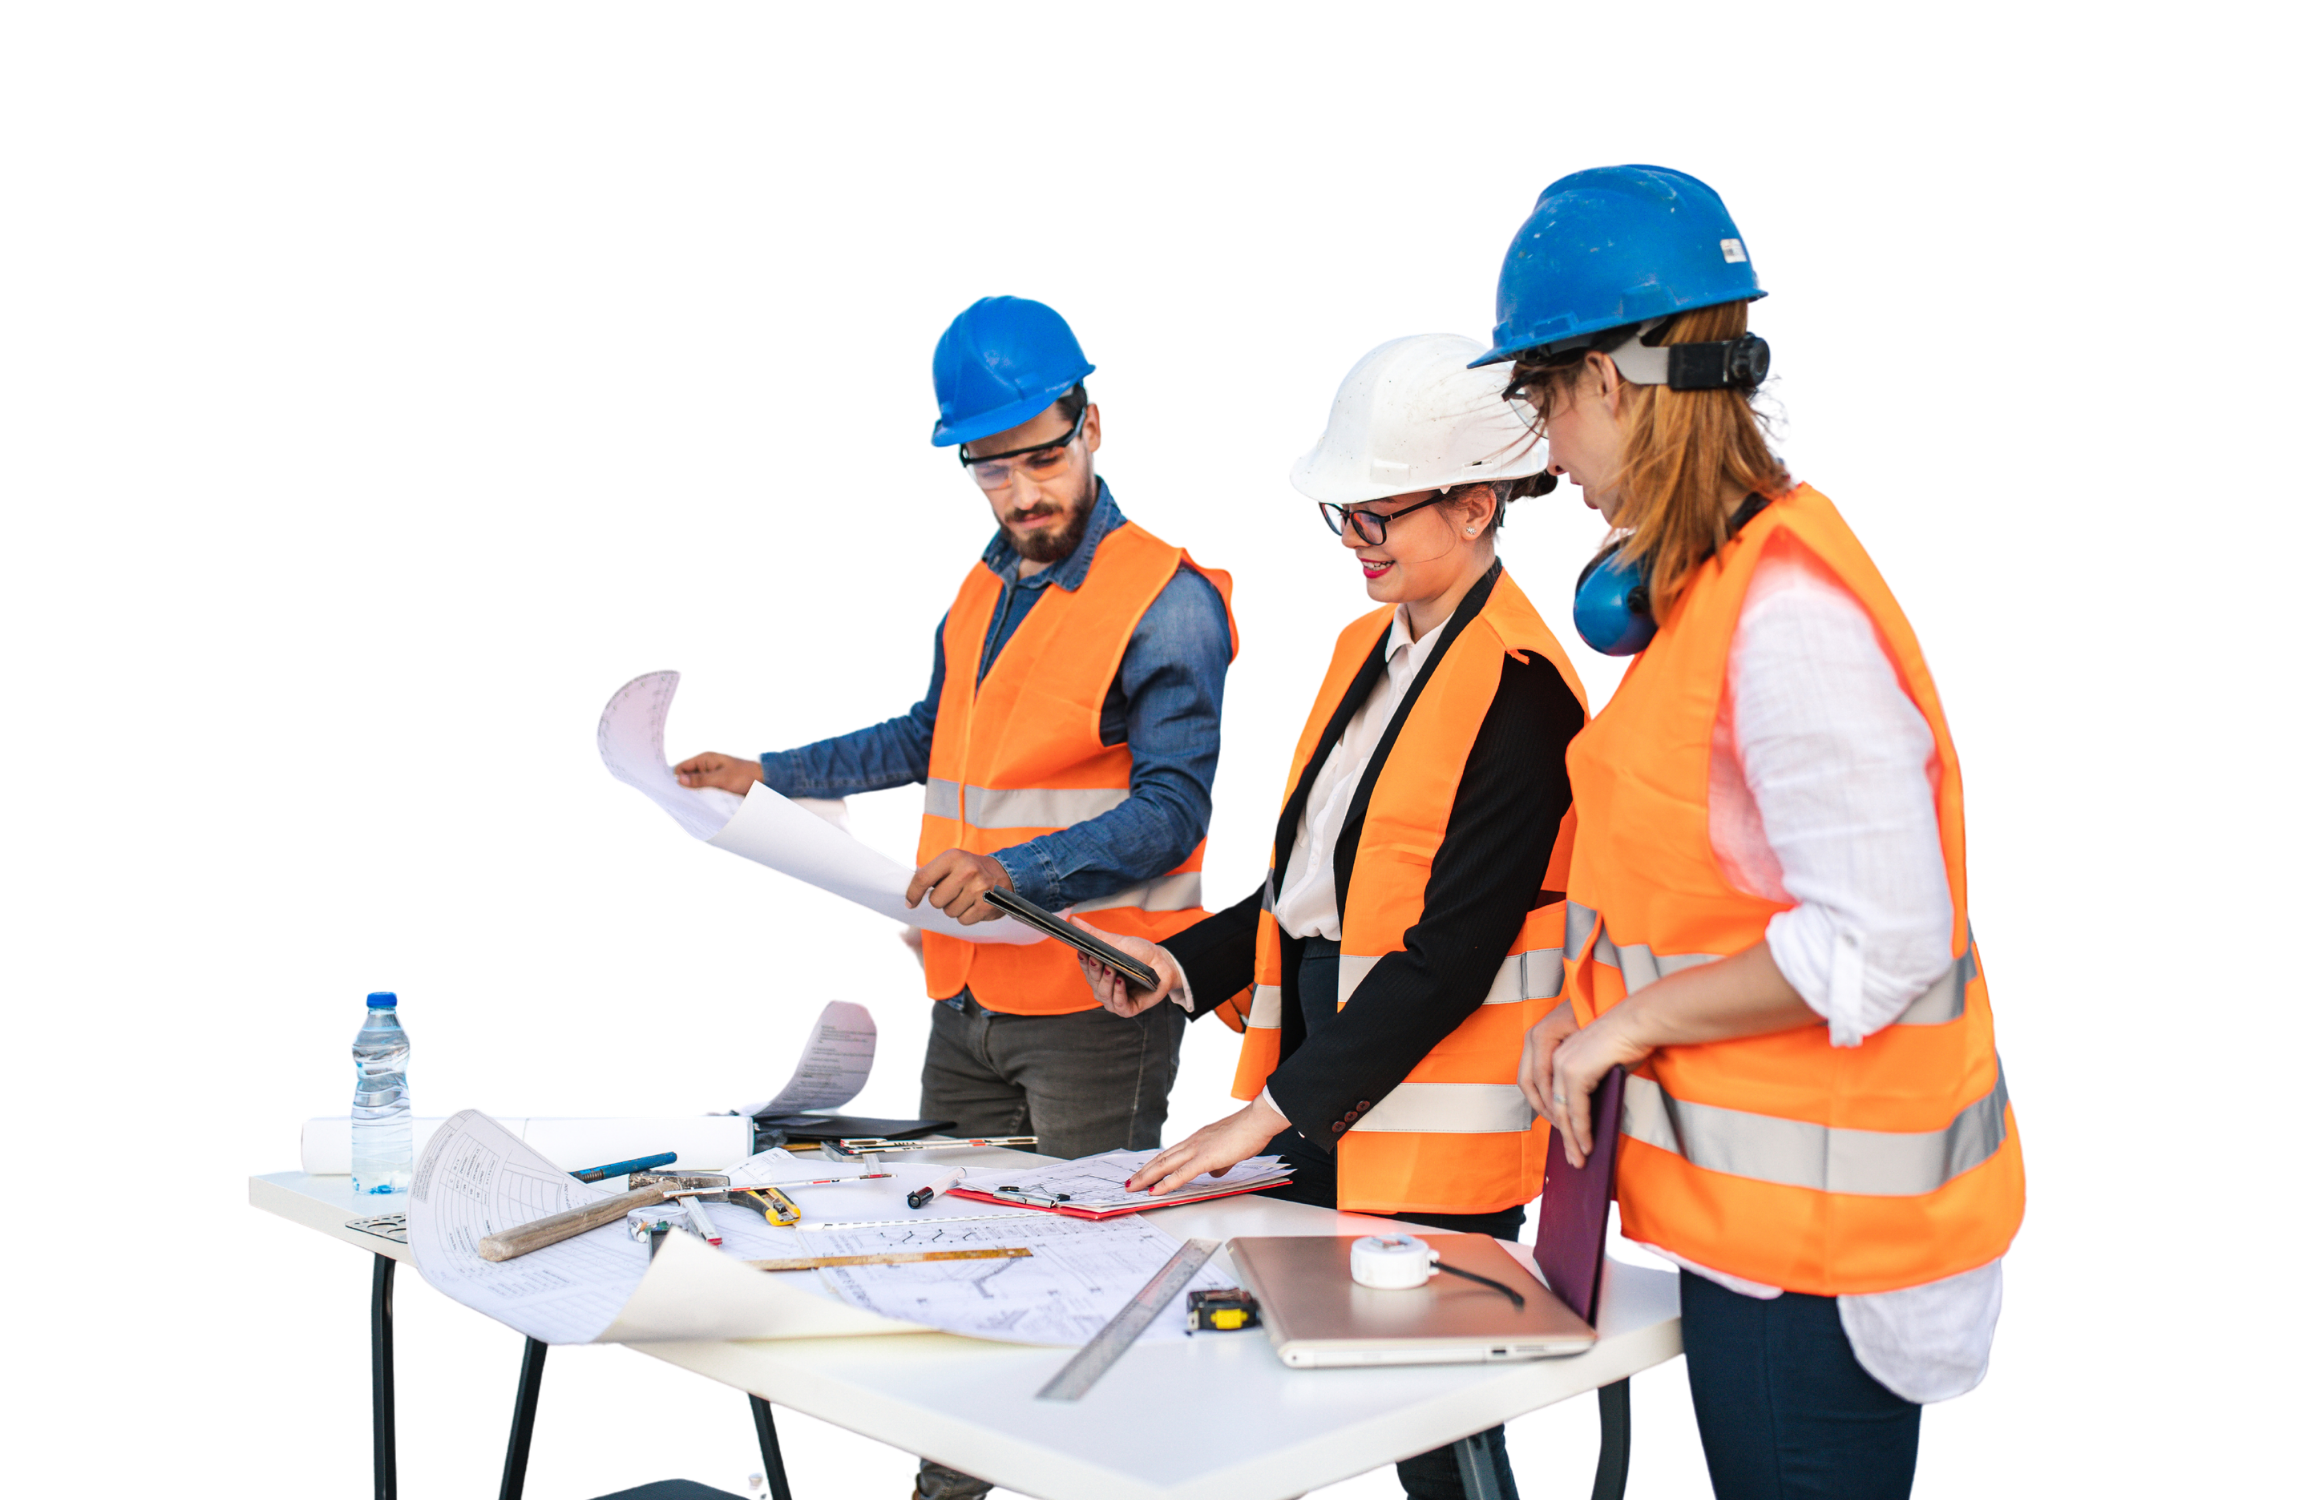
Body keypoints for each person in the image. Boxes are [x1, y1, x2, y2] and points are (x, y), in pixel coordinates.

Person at [1483, 165, 2025, 1499]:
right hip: (1766, 1239)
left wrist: (1624, 1028)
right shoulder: (1714, 594)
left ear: (1609, 381)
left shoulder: (1784, 620)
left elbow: (1882, 938)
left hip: (1825, 1265)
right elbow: (1701, 899)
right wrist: (1586, 1005)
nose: (1551, 452)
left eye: (1545, 402)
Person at [1074, 332, 1589, 1500]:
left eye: (1376, 515)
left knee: (1427, 1436)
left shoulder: (1524, 689)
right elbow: (1318, 881)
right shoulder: (1366, 644)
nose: (1352, 542)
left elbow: (1450, 950)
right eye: (1340, 517)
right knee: (1314, 1412)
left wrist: (1263, 1116)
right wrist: (1180, 963)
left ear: (1472, 506)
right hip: (1326, 1086)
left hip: (1426, 1123)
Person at [672, 294, 1240, 1164]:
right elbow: (926, 737)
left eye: (1044, 458)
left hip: (1096, 1002)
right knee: (951, 1240)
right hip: (962, 991)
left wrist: (1008, 875)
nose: (1022, 493)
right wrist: (772, 775)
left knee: (1079, 1263)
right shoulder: (983, 585)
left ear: (1094, 426)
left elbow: (1174, 812)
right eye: (992, 469)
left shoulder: (1169, 601)